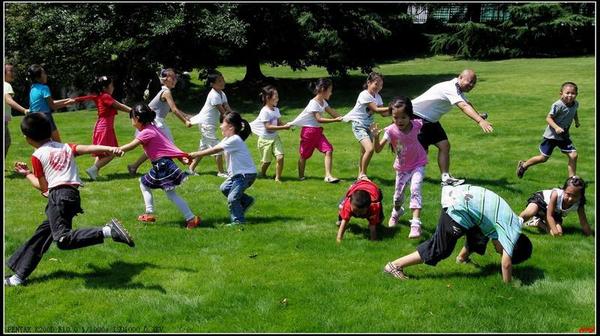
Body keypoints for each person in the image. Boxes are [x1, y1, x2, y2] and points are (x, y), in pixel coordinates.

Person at [4, 113, 134, 287]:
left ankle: (108, 231)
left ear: (28, 139)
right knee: (42, 235)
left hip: (58, 197)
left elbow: (43, 187)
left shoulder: (37, 156)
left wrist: (27, 174)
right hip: (71, 196)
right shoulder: (65, 147)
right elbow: (88, 148)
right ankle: (18, 277)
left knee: (63, 239)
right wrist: (110, 149)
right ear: (50, 131)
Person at [383, 184, 533, 284]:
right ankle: (395, 265)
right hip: (459, 205)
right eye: (502, 252)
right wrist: (507, 286)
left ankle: (462, 258)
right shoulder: (510, 237)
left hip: (465, 195)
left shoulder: (515, 223)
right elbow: (506, 265)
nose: (499, 252)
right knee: (441, 249)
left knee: (480, 233)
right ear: (512, 249)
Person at [119, 104, 201, 229]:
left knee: (160, 190)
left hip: (163, 166)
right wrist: (180, 156)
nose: (131, 120)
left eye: (131, 118)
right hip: (163, 165)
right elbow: (167, 145)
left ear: (136, 118)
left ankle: (190, 218)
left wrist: (118, 149)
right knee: (152, 186)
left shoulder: (147, 131)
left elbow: (132, 145)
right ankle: (151, 213)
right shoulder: (152, 128)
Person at [412, 69, 493, 186]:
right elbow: (463, 106)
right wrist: (479, 121)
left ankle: (445, 177)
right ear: (460, 77)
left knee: (444, 145)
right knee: (422, 153)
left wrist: (478, 114)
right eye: (469, 82)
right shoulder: (450, 88)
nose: (471, 85)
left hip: (431, 120)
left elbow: (467, 103)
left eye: (473, 83)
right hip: (417, 117)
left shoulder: (457, 89)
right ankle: (409, 176)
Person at [372, 96, 427, 239]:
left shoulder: (417, 124)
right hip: (402, 168)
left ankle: (415, 225)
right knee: (398, 197)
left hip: (418, 163)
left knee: (415, 188)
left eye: (403, 117)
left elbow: (429, 124)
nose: (399, 121)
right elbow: (377, 150)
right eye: (396, 117)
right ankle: (396, 212)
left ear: (410, 115)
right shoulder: (390, 131)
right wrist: (375, 137)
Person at [189, 112, 257, 226]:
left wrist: (196, 154)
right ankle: (246, 201)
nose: (220, 126)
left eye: (222, 123)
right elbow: (216, 148)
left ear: (231, 127)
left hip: (245, 175)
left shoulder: (234, 139)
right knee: (225, 188)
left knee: (232, 198)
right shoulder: (227, 139)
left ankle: (238, 222)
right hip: (238, 175)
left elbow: (215, 150)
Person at [127, 68, 192, 175]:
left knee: (157, 146)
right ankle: (182, 164)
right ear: (166, 79)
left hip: (155, 122)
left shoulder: (165, 91)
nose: (175, 79)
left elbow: (173, 108)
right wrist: (185, 121)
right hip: (155, 123)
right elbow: (174, 110)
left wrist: (186, 116)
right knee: (168, 144)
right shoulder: (166, 92)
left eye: (176, 77)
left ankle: (134, 166)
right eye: (173, 77)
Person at [517, 82, 581, 179]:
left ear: (576, 94)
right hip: (551, 136)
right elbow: (548, 118)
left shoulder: (575, 104)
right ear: (561, 93)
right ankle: (524, 165)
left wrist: (577, 121)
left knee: (573, 155)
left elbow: (574, 112)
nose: (570, 95)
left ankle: (571, 180)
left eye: (573, 93)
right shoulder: (557, 105)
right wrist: (556, 127)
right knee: (543, 158)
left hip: (564, 136)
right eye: (567, 93)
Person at [289, 78, 343, 182]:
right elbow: (319, 119)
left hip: (317, 132)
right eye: (330, 90)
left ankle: (328, 176)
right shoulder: (313, 103)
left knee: (328, 150)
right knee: (304, 155)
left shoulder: (323, 102)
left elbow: (332, 112)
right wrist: (335, 120)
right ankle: (301, 177)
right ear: (323, 89)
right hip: (308, 133)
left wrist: (344, 118)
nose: (331, 93)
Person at [341, 72, 390, 180]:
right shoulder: (364, 94)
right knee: (370, 149)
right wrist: (392, 107)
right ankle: (363, 174)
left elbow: (383, 114)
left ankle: (361, 175)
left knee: (364, 151)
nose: (378, 87)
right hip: (359, 125)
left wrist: (397, 113)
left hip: (369, 126)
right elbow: (376, 109)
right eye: (376, 84)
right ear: (369, 82)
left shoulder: (378, 96)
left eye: (381, 85)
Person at [82, 76, 132, 180]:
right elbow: (119, 106)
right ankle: (93, 169)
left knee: (102, 152)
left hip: (103, 127)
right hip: (105, 128)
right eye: (111, 85)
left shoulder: (102, 96)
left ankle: (94, 172)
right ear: (105, 87)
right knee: (113, 152)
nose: (113, 87)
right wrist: (134, 111)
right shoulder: (106, 96)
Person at [188, 70, 232, 177]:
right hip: (206, 124)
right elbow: (223, 112)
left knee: (203, 148)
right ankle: (221, 172)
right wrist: (233, 121)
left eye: (223, 80)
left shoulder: (222, 93)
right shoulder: (214, 95)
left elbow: (227, 107)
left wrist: (235, 117)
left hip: (209, 125)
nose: (222, 82)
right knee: (217, 147)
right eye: (219, 81)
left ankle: (190, 169)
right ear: (212, 84)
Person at [520, 175, 592, 236]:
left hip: (554, 212)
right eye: (568, 194)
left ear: (580, 196)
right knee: (530, 212)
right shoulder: (556, 194)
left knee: (558, 233)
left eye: (575, 196)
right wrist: (555, 231)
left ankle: (537, 222)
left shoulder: (579, 203)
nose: (570, 199)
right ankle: (514, 223)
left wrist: (590, 236)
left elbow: (583, 222)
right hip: (540, 201)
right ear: (563, 190)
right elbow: (549, 215)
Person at [249, 85, 292, 182]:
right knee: (266, 161)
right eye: (275, 96)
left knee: (280, 157)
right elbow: (268, 127)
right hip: (265, 140)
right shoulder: (264, 111)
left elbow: (279, 122)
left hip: (275, 138)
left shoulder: (276, 110)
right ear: (268, 98)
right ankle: (262, 173)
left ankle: (277, 178)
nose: (278, 98)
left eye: (277, 96)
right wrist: (283, 127)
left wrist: (288, 125)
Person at [27, 64, 76, 142]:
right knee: (58, 144)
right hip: (45, 118)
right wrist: (68, 103)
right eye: (44, 73)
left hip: (35, 118)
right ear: (38, 77)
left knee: (42, 145)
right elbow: (53, 106)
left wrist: (67, 100)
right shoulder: (44, 88)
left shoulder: (33, 88)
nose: (46, 75)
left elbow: (50, 102)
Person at [4, 63, 29, 157]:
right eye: (11, 71)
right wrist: (24, 110)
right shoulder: (6, 85)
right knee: (6, 142)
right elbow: (8, 100)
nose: (13, 73)